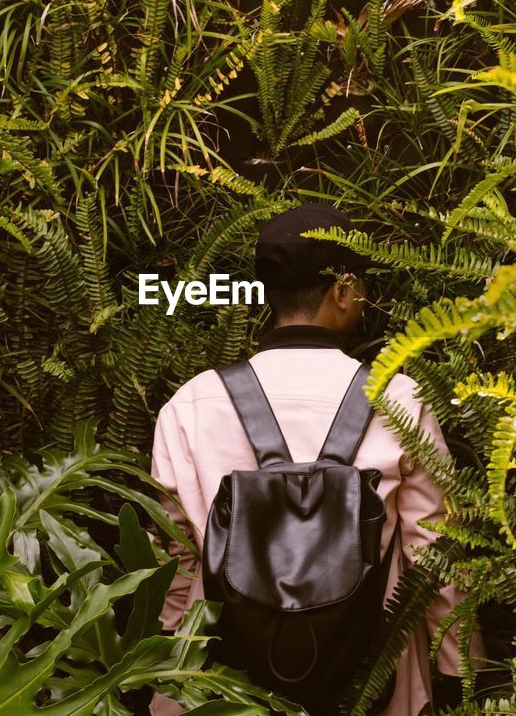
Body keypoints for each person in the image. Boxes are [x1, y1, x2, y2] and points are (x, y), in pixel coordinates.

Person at [149, 203, 479, 715]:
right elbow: (435, 556)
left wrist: (161, 669)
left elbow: (173, 562)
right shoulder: (401, 401)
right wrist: (462, 674)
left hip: (216, 689)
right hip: (373, 687)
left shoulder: (191, 405)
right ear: (343, 289)